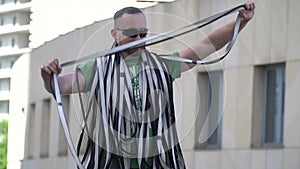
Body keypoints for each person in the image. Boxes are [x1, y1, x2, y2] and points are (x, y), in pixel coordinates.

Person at [41, 2, 255, 169]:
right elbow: (60, 86)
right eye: (132, 34)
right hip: (110, 163)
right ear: (115, 34)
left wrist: (240, 22)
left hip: (155, 162)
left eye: (143, 33)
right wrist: (48, 75)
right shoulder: (97, 68)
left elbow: (204, 46)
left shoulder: (161, 65)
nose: (139, 39)